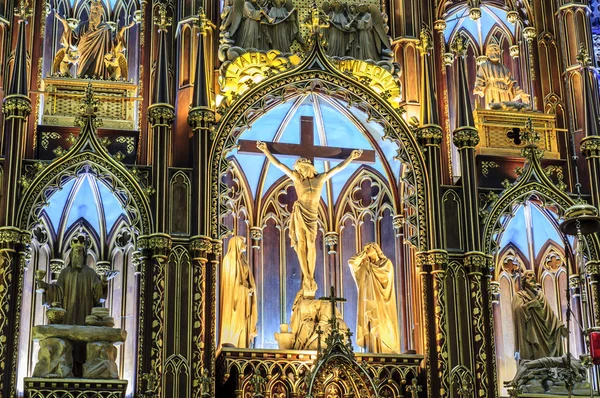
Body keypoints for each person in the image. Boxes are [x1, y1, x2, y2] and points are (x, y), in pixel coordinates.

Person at [257, 141, 363, 298]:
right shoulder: (297, 180)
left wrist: (351, 158)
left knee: (311, 244)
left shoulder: (319, 179)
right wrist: (266, 151)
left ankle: (310, 275)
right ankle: (306, 275)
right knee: (301, 244)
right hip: (300, 213)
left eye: (300, 169)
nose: (298, 171)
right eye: (297, 169)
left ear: (307, 167)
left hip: (312, 215)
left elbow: (337, 169)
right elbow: (279, 165)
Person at [37, 233, 115, 325]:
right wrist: (45, 287)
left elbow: (99, 295)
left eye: (80, 251)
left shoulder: (90, 273)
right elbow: (57, 291)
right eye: (75, 251)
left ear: (84, 255)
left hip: (86, 311)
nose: (77, 253)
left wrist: (105, 280)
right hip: (68, 311)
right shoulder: (65, 272)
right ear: (71, 255)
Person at [348, 242, 400, 353]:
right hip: (370, 306)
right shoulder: (365, 266)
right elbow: (352, 263)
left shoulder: (386, 264)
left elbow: (386, 279)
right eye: (364, 249)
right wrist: (362, 255)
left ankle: (385, 351)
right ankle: (372, 351)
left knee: (382, 330)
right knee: (371, 330)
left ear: (376, 249)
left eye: (368, 248)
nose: (366, 250)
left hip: (383, 305)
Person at [512, 270, 568, 360]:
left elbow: (550, 315)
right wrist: (530, 305)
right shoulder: (519, 296)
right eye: (529, 275)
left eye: (533, 276)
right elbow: (517, 312)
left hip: (546, 333)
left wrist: (560, 327)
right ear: (524, 280)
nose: (532, 277)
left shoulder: (541, 296)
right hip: (531, 333)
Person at [219, 236, 258, 348]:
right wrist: (244, 291)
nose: (245, 245)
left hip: (246, 298)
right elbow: (231, 285)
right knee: (237, 325)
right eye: (243, 243)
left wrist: (249, 290)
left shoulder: (243, 259)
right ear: (236, 244)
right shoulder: (229, 259)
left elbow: (248, 279)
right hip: (235, 303)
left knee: (244, 326)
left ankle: (243, 346)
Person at [473, 43, 530, 108]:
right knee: (494, 112)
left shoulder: (505, 68)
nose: (494, 51)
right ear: (487, 53)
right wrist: (478, 87)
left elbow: (512, 84)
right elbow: (479, 79)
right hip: (492, 92)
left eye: (496, 49)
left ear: (499, 52)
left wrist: (521, 93)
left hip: (506, 94)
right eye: (491, 49)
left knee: (507, 113)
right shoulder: (484, 66)